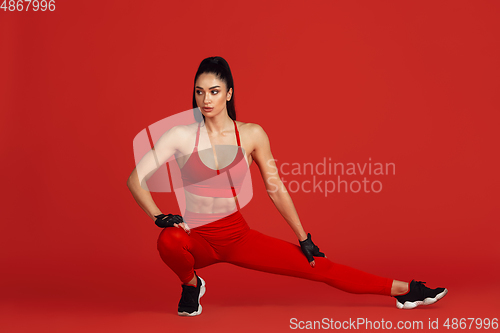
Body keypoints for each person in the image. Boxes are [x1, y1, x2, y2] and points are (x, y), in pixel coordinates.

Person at [126, 56, 448, 316]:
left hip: (237, 236)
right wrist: (157, 214)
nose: (206, 99)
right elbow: (135, 179)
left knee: (319, 268)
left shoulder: (251, 134)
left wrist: (303, 237)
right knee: (168, 238)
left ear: (229, 93)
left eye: (213, 91)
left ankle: (406, 291)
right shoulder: (180, 136)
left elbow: (275, 187)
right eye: (199, 91)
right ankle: (191, 284)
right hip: (197, 237)